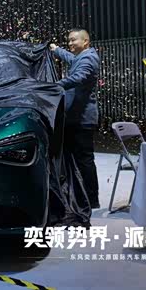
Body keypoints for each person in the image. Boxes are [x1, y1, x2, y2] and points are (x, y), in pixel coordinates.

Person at [50, 29, 100, 209]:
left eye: (73, 40)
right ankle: (83, 196)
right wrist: (56, 50)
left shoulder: (88, 58)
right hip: (77, 117)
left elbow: (78, 77)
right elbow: (71, 59)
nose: (70, 43)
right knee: (76, 159)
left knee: (84, 160)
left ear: (85, 41)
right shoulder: (82, 57)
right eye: (69, 40)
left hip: (82, 118)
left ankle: (91, 199)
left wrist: (53, 86)